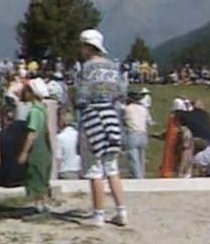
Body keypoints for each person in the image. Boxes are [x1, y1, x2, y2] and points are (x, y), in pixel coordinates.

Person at [75, 29, 128, 227]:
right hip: (112, 117)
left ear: (88, 47)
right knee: (112, 167)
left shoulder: (86, 69)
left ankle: (98, 214)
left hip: (93, 118)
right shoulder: (114, 67)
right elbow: (122, 91)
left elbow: (81, 96)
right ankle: (121, 211)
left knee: (95, 169)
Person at [18, 78, 52, 214]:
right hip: (44, 149)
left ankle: (39, 206)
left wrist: (24, 152)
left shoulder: (34, 112)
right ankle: (42, 204)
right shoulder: (42, 109)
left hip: (36, 150)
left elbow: (32, 133)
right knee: (42, 176)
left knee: (36, 176)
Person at [124, 92, 150, 179]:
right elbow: (149, 121)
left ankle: (136, 176)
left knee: (133, 157)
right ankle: (141, 175)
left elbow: (123, 120)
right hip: (143, 133)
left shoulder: (127, 108)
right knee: (141, 157)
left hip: (132, 133)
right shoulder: (144, 109)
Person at [55, 113, 81, 180]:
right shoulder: (79, 135)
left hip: (65, 171)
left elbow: (58, 158)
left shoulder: (60, 137)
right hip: (79, 170)